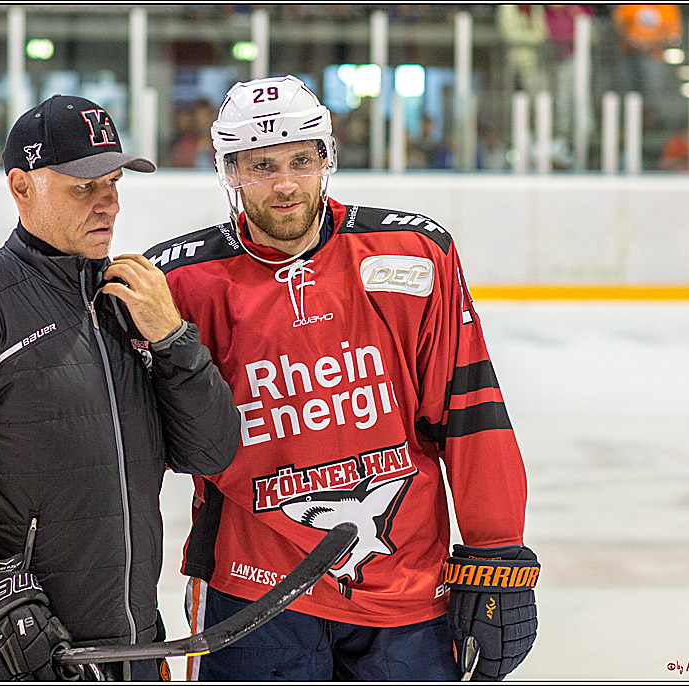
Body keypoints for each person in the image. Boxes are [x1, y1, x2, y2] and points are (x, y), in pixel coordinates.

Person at [145, 76, 538, 681]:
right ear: (229, 172)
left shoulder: (411, 254)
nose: (284, 184)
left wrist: (498, 555)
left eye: (301, 160)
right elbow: (129, 455)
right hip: (252, 593)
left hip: (407, 587)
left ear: (326, 159)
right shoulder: (181, 283)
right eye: (261, 165)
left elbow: (470, 409)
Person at [0, 94, 240, 682]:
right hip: (22, 656)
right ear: (21, 187)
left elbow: (210, 452)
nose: (109, 203)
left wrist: (173, 338)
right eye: (83, 186)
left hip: (131, 650)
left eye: (115, 182)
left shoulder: (130, 304)